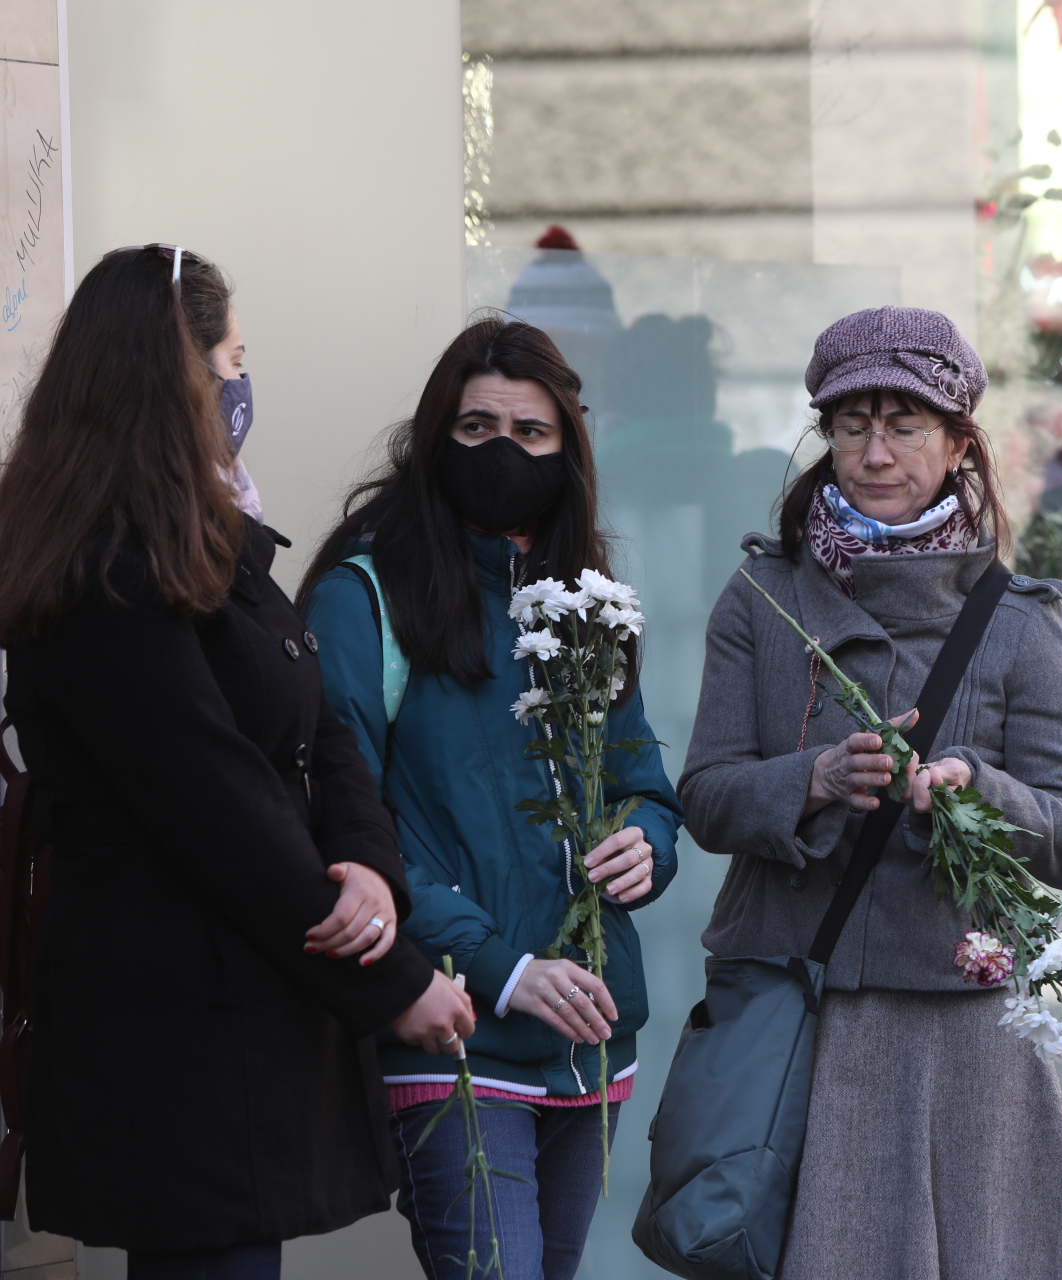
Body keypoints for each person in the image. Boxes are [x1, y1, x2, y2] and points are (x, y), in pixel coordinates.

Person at [0, 245, 474, 1280]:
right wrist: (392, 979)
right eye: (234, 357)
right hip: (169, 1038)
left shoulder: (214, 533)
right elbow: (218, 802)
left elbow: (322, 728)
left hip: (242, 1014)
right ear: (178, 372)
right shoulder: (101, 570)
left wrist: (367, 865)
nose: (243, 386)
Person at [679, 305, 1062, 1279]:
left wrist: (980, 789)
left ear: (960, 443)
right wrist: (811, 779)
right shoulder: (764, 596)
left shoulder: (1020, 618)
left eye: (904, 424)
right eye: (851, 423)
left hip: (970, 1024)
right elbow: (704, 794)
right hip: (807, 1011)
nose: (874, 450)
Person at [298, 318, 683, 1280]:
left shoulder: (588, 598)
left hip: (591, 1029)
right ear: (436, 438)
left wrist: (649, 839)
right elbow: (343, 825)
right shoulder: (366, 595)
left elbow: (642, 780)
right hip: (455, 1022)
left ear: (568, 450)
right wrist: (499, 968)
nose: (501, 450)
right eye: (474, 429)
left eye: (529, 432)